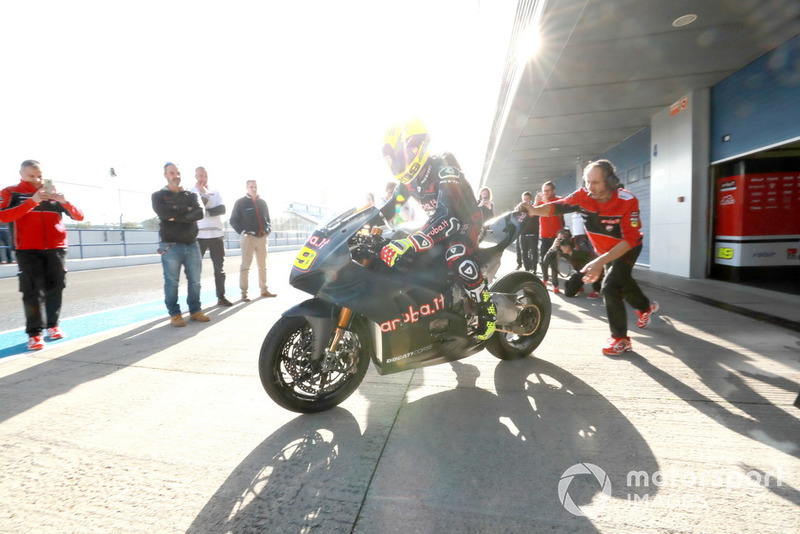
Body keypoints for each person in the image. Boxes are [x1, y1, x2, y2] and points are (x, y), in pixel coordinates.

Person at [518, 159, 659, 355]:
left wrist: (599, 262)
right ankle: (646, 307)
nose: (589, 187)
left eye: (595, 182)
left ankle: (621, 339)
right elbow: (556, 207)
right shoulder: (583, 196)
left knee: (610, 287)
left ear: (609, 181)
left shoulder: (627, 201)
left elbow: (629, 240)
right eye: (586, 182)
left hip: (627, 248)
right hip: (604, 251)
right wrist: (534, 210)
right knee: (623, 282)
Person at [377, 119, 496, 340]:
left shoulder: (444, 168)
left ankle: (488, 311)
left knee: (456, 253)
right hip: (441, 223)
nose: (397, 164)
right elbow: (388, 211)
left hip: (467, 222)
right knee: (404, 245)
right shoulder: (408, 183)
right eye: (393, 160)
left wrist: (411, 242)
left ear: (417, 147)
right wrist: (361, 228)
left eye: (400, 157)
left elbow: (448, 217)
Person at [0, 160, 84, 350]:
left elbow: (79, 216)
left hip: (56, 248)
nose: (37, 180)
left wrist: (65, 202)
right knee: (32, 291)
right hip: (27, 249)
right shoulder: (10, 192)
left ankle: (53, 325)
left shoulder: (54, 195)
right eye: (31, 176)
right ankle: (35, 333)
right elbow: (3, 216)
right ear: (21, 174)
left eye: (39, 175)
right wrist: (32, 201)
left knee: (56, 287)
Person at [152, 162, 210, 327]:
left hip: (192, 244)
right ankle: (175, 314)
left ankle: (195, 311)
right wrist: (186, 211)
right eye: (171, 173)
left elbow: (199, 212)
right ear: (166, 175)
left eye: (177, 172)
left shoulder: (191, 195)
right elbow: (163, 213)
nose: (175, 175)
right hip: (170, 246)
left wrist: (176, 216)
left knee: (195, 281)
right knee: (171, 282)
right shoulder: (158, 196)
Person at [192, 167, 232, 307]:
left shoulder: (216, 192)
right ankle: (195, 302)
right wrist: (203, 195)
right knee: (195, 269)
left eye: (205, 175)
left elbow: (222, 209)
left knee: (219, 269)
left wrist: (206, 212)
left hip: (216, 235)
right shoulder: (191, 191)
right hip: (199, 236)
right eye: (200, 175)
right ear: (195, 176)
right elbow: (197, 209)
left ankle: (221, 297)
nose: (203, 178)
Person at [230, 180, 276, 301]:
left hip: (262, 238)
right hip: (248, 238)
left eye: (255, 187)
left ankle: (264, 290)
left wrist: (268, 229)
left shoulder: (262, 202)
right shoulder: (240, 203)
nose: (254, 189)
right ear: (247, 188)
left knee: (263, 266)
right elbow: (233, 220)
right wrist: (242, 231)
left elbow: (268, 219)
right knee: (245, 266)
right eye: (251, 187)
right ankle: (244, 293)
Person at [543, 227, 602, 298]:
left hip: (592, 267)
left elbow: (590, 256)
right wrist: (552, 248)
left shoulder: (578, 241)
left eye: (565, 238)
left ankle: (596, 289)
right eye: (560, 239)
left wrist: (571, 252)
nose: (563, 241)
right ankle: (578, 285)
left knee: (598, 265)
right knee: (569, 293)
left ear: (571, 238)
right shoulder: (559, 247)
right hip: (579, 271)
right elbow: (545, 262)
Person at [534, 181, 564, 291]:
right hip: (544, 236)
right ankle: (545, 279)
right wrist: (536, 203)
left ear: (553, 191)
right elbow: (531, 214)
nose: (545, 193)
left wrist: (547, 203)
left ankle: (555, 284)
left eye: (547, 190)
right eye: (543, 191)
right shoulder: (540, 202)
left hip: (556, 237)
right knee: (542, 260)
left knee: (554, 261)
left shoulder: (559, 200)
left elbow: (560, 215)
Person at [516, 191, 539, 273]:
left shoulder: (535, 207)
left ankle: (534, 268)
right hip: (523, 234)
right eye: (524, 199)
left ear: (530, 199)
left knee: (534, 252)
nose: (526, 201)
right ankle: (527, 270)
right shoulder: (519, 209)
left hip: (534, 233)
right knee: (524, 253)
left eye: (527, 199)